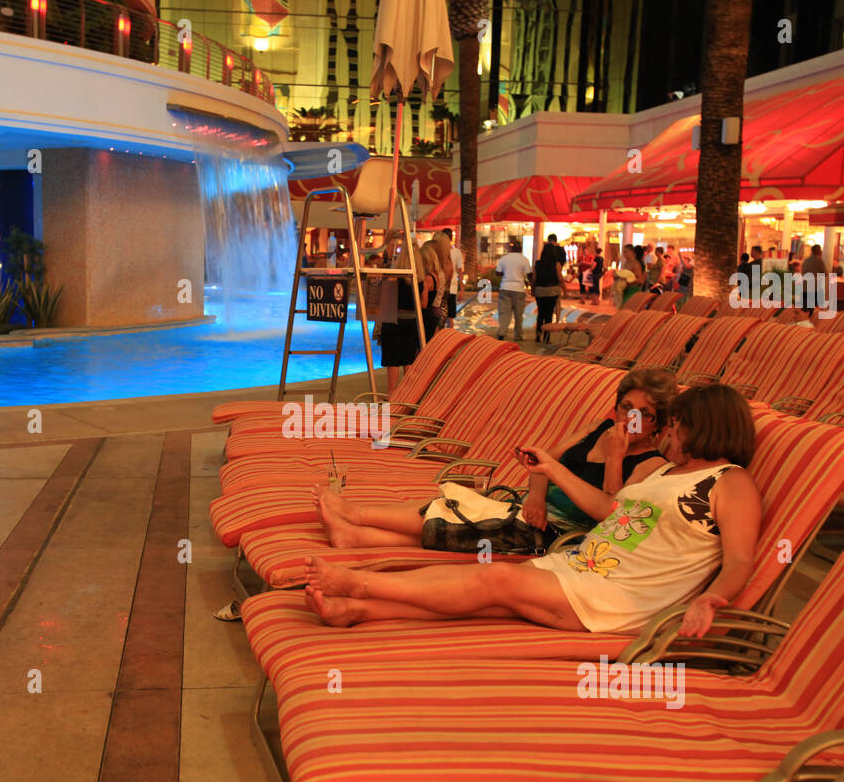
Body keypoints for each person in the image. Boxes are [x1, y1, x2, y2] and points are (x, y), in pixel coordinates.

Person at [303, 382, 761, 638]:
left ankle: (358, 582)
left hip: (622, 597)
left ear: (703, 428)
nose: (667, 434)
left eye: (675, 425)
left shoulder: (730, 481)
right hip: (585, 566)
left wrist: (709, 599)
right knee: (490, 603)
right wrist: (549, 469)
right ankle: (354, 609)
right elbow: (607, 508)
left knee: (496, 578)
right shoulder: (663, 475)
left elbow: (740, 558)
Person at [313, 368, 677, 553]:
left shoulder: (649, 464)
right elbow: (544, 459)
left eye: (644, 415)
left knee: (465, 522)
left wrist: (615, 459)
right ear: (615, 407)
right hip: (534, 511)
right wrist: (535, 495)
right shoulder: (598, 427)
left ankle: (356, 520)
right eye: (626, 408)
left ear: (658, 426)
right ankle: (355, 533)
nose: (630, 419)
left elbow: (611, 514)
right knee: (454, 504)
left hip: (563, 534)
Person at [375, 236, 423, 392]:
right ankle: (407, 394)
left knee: (393, 360)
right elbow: (422, 304)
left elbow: (386, 301)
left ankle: (392, 393)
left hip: (394, 320)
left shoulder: (395, 278)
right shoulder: (420, 280)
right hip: (412, 320)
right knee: (408, 358)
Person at [495, 239, 531, 340]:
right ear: (520, 248)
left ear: (510, 248)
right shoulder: (524, 259)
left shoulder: (504, 258)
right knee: (518, 314)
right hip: (519, 289)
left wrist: (505, 274)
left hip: (505, 287)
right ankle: (518, 335)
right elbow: (529, 274)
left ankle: (502, 332)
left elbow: (497, 272)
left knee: (504, 312)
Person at [533, 238, 564, 341]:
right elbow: (560, 278)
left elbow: (534, 278)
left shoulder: (537, 263)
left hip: (540, 290)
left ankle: (538, 334)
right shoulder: (556, 264)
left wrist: (533, 289)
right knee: (549, 314)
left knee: (541, 313)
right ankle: (547, 337)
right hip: (552, 290)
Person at [441, 228, 464, 328]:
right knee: (449, 316)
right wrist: (461, 289)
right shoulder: (456, 252)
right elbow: (460, 271)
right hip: (449, 287)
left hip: (449, 287)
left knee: (448, 316)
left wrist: (461, 289)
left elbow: (460, 271)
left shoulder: (456, 252)